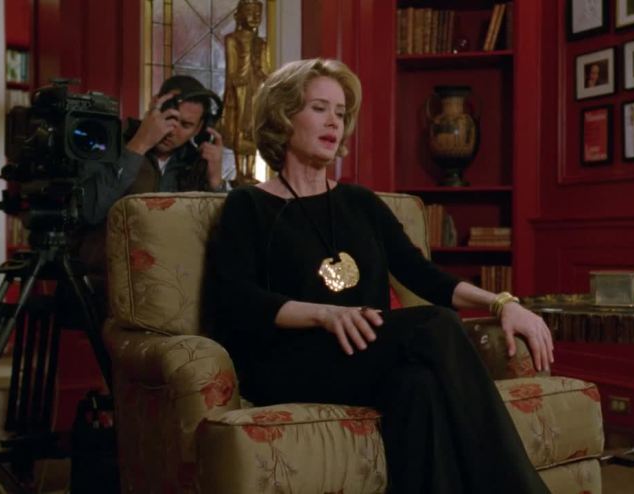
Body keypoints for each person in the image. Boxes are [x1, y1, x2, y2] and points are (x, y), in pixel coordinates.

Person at [212, 58, 554, 493]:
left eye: (340, 113)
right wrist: (324, 314)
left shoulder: (361, 203)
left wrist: (503, 303)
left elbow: (424, 275)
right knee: (434, 323)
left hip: (365, 353)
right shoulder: (247, 206)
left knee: (419, 386)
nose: (334, 122)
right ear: (283, 117)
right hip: (289, 360)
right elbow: (236, 299)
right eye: (319, 108)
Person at [77, 74, 226, 314]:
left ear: (199, 130)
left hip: (171, 289)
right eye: (170, 119)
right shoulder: (111, 140)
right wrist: (139, 145)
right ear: (155, 105)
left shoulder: (197, 163)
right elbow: (90, 210)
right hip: (104, 286)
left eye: (186, 125)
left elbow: (218, 237)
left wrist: (215, 181)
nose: (172, 131)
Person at [219, 0, 270, 185]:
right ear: (238, 15)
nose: (255, 17)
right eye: (250, 12)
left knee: (254, 127)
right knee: (240, 126)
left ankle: (250, 171)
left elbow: (265, 70)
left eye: (258, 13)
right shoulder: (232, 39)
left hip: (256, 89)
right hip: (239, 90)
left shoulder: (261, 43)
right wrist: (231, 92)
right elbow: (232, 71)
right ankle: (240, 171)